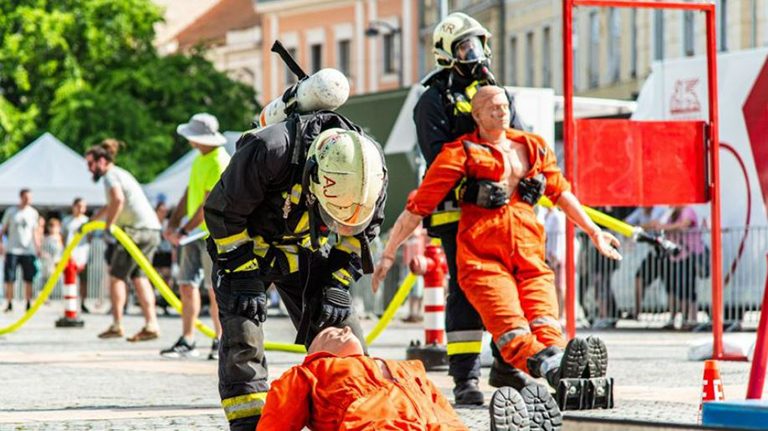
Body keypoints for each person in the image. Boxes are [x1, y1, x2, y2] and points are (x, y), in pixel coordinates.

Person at [373, 86, 620, 426]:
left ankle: (564, 365)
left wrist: (594, 231)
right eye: (491, 108)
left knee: (547, 322)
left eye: (504, 106)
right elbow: (417, 208)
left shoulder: (531, 147)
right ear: (476, 115)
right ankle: (555, 368)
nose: (501, 112)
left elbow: (562, 194)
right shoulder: (460, 154)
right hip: (482, 259)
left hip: (531, 256)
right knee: (511, 329)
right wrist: (388, 255)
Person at [203, 111, 387, 430]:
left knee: (347, 335)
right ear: (314, 175)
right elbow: (223, 212)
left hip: (306, 249)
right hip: (246, 247)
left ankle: (356, 416)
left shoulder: (370, 172)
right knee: (243, 334)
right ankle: (251, 423)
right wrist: (244, 275)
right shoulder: (269, 151)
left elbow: (361, 237)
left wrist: (337, 284)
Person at [413, 11, 528, 405]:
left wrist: (530, 177)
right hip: (454, 213)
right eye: (464, 46)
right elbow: (436, 159)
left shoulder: (497, 93)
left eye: (477, 44)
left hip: (500, 211)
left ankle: (506, 363)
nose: (474, 54)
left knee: (506, 286)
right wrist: (472, 190)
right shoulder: (432, 100)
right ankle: (465, 380)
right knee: (465, 290)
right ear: (446, 53)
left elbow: (520, 141)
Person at [257, 326, 473, 431]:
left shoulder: (407, 368)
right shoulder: (311, 372)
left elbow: (444, 410)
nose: (347, 328)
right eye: (331, 334)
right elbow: (276, 423)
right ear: (316, 353)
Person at [161, 113, 230, 360]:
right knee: (186, 284)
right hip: (192, 236)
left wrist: (182, 230)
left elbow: (207, 205)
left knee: (215, 290)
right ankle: (188, 339)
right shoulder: (200, 159)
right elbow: (190, 193)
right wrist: (173, 220)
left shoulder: (219, 161)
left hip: (212, 235)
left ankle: (220, 339)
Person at [85, 139, 162, 342]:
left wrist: (109, 226)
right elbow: (110, 204)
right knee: (139, 277)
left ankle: (117, 324)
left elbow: (118, 200)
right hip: (151, 229)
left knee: (117, 276)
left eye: (91, 164)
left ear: (102, 161)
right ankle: (151, 323)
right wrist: (92, 221)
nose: (89, 169)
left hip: (135, 232)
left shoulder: (110, 176)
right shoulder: (120, 173)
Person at [655, 205, 705, 330]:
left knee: (687, 289)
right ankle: (680, 319)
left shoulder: (688, 210)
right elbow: (658, 224)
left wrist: (665, 228)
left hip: (689, 254)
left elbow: (684, 224)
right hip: (675, 256)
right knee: (676, 289)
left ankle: (690, 320)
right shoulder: (671, 213)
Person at [624, 206, 668, 320]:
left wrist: (637, 228)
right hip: (654, 252)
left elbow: (654, 224)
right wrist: (641, 227)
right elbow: (626, 223)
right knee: (639, 278)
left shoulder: (659, 209)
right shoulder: (641, 211)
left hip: (668, 253)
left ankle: (674, 316)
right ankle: (637, 311)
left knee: (671, 286)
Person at [1, 189, 42, 312]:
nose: (28, 200)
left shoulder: (33, 213)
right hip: (13, 249)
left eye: (30, 197)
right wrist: (1, 244)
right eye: (25, 197)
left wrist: (37, 247)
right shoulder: (11, 211)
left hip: (28, 251)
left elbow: (35, 232)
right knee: (10, 278)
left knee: (28, 278)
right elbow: (3, 229)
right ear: (21, 197)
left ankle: (28, 302)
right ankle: (9, 303)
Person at [62, 197, 91, 313]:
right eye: (78, 206)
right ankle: (69, 305)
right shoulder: (67, 220)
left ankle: (83, 303)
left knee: (83, 281)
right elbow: (62, 237)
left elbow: (90, 237)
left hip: (83, 255)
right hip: (70, 256)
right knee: (70, 281)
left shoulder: (87, 221)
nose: (80, 209)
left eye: (83, 206)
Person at [40, 217, 64, 292]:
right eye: (51, 226)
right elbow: (42, 250)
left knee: (59, 281)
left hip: (58, 263)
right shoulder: (46, 239)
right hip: (48, 264)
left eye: (55, 226)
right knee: (46, 280)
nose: (53, 228)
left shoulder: (61, 238)